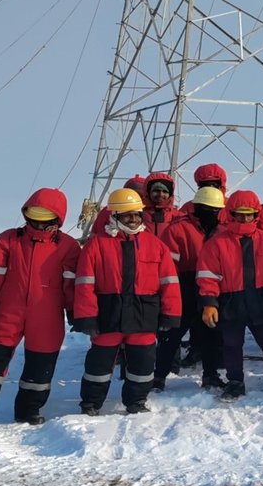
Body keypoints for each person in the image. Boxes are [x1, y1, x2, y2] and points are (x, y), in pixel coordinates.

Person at [0, 188, 80, 425]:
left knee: (40, 365)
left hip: (47, 315)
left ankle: (28, 412)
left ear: (58, 220)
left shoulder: (68, 247)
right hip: (7, 311)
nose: (39, 226)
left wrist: (76, 312)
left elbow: (71, 284)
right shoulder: (8, 239)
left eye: (45, 222)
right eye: (34, 220)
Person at [72, 188, 182, 415]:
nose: (133, 219)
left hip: (144, 313)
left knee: (143, 363)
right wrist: (88, 317)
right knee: (99, 365)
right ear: (114, 216)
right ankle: (91, 403)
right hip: (108, 313)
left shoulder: (155, 245)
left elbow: (169, 283)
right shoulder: (97, 245)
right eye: (127, 215)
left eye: (137, 214)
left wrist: (170, 314)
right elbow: (85, 284)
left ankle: (136, 402)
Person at [196, 189, 263, 401]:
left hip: (261, 299)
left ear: (256, 214)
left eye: (249, 214)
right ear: (231, 214)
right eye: (240, 213)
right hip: (230, 300)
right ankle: (235, 382)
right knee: (231, 345)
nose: (244, 218)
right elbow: (207, 276)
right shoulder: (217, 243)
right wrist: (209, 303)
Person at [154, 186, 228, 391]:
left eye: (215, 209)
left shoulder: (223, 231)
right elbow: (169, 267)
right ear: (196, 207)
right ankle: (159, 376)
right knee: (172, 336)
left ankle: (210, 375)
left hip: (212, 291)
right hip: (183, 288)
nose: (211, 212)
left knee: (211, 335)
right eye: (206, 208)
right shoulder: (177, 230)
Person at [142, 171, 179, 238]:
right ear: (148, 192)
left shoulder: (177, 217)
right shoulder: (138, 215)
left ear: (170, 194)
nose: (160, 195)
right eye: (156, 191)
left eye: (165, 191)